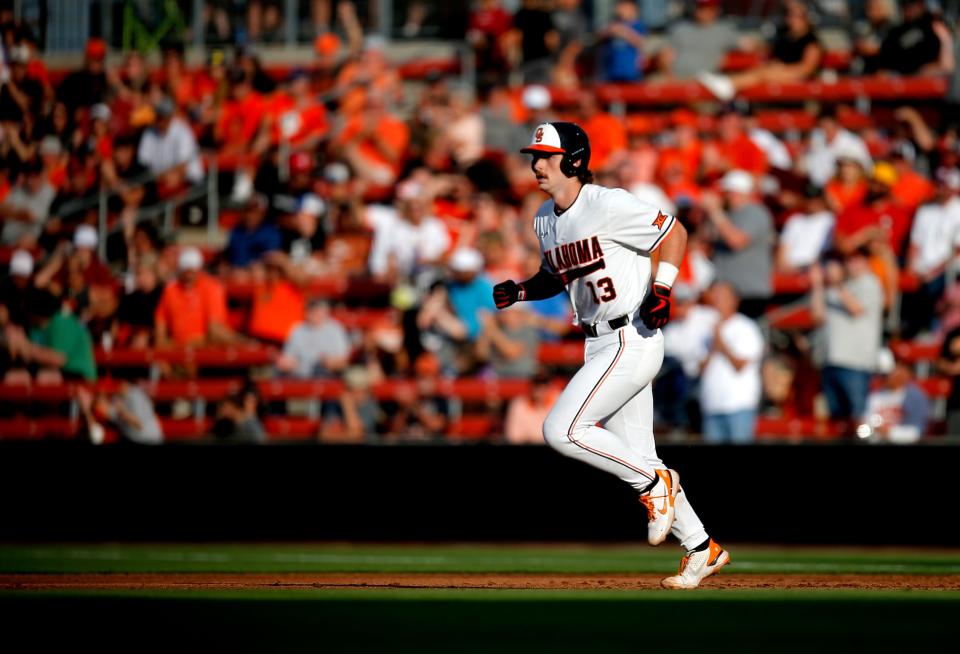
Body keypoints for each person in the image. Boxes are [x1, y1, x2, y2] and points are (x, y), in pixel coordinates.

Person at [493, 121, 729, 589]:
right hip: (598, 339)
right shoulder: (545, 216)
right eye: (533, 156)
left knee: (561, 430)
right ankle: (702, 547)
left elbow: (674, 232)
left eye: (546, 155)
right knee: (640, 454)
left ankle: (652, 484)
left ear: (574, 160)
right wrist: (522, 289)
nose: (537, 163)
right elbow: (556, 274)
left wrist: (663, 287)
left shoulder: (608, 203)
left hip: (631, 335)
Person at [809, 250, 884, 431]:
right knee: (837, 423)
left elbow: (856, 309)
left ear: (866, 262)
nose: (852, 264)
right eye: (848, 260)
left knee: (859, 419)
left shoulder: (870, 283)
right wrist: (818, 285)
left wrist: (836, 283)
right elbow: (817, 317)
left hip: (855, 363)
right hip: (830, 360)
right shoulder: (839, 287)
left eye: (857, 260)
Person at [700, 170, 775, 319]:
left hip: (748, 292)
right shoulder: (728, 215)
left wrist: (716, 212)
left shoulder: (756, 213)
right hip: (725, 293)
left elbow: (736, 240)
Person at [698, 283, 765, 443]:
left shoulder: (746, 327)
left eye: (722, 296)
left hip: (738, 406)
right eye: (715, 296)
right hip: (712, 406)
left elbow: (740, 365)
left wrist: (721, 342)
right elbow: (699, 369)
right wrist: (714, 345)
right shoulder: (707, 329)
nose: (717, 301)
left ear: (734, 300)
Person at [861, 358, 930, 443]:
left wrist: (890, 433)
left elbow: (916, 432)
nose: (890, 375)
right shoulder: (875, 396)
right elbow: (863, 430)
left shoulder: (916, 397)